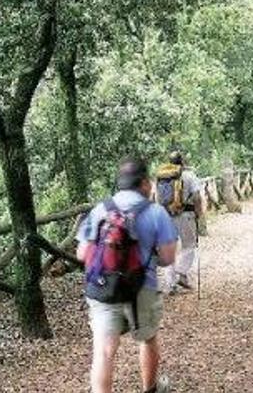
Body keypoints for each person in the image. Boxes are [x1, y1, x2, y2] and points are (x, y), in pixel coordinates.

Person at [76, 158, 178, 393]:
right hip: (142, 288)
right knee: (147, 339)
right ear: (144, 183)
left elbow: (82, 253)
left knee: (103, 350)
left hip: (103, 288)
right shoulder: (156, 212)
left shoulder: (101, 209)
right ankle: (150, 389)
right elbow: (168, 258)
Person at [155, 151, 204, 295]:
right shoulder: (189, 176)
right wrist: (199, 213)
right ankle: (181, 271)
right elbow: (196, 196)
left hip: (165, 215)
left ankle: (171, 285)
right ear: (182, 162)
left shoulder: (161, 177)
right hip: (186, 215)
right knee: (189, 245)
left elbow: (155, 197)